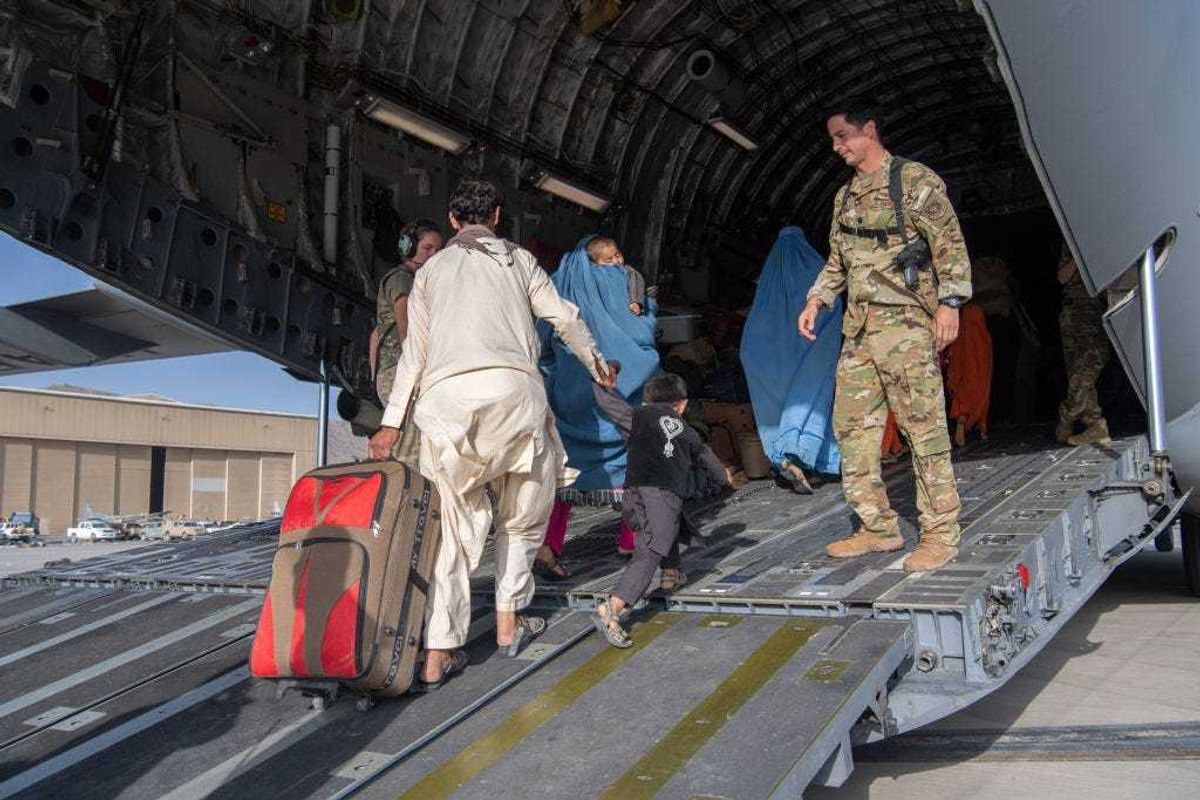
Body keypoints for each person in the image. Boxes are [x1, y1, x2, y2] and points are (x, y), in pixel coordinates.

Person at [368, 180, 613, 689]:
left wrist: (391, 423)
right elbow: (563, 318)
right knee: (522, 517)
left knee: (453, 533)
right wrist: (595, 364)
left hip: (446, 402)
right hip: (513, 392)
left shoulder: (430, 272)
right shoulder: (519, 261)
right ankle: (508, 621)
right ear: (497, 216)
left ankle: (438, 651)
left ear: (454, 221)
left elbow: (413, 354)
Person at [798, 101, 972, 573]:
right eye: (833, 140)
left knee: (924, 429)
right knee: (852, 431)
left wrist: (950, 303)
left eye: (842, 136)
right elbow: (838, 261)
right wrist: (817, 300)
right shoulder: (845, 197)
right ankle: (878, 527)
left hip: (906, 327)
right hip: (859, 331)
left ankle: (939, 534)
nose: (837, 147)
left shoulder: (915, 182)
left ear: (869, 129)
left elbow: (948, 243)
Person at [538, 235, 661, 568]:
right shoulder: (625, 280)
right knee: (633, 461)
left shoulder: (559, 287)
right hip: (622, 391)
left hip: (572, 396)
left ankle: (549, 544)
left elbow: (543, 343)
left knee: (565, 470)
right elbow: (644, 331)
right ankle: (630, 540)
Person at [590, 372, 731, 648]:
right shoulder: (684, 429)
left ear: (648, 400)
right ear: (682, 405)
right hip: (662, 495)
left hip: (632, 495)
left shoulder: (636, 417)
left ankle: (670, 575)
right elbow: (705, 455)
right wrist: (724, 476)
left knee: (666, 527)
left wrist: (603, 379)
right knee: (651, 549)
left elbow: (607, 404)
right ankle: (613, 608)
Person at [741, 226, 843, 494]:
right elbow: (835, 309)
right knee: (814, 401)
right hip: (812, 354)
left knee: (778, 406)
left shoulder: (769, 282)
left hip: (773, 363)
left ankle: (784, 459)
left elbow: (752, 334)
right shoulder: (819, 273)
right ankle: (812, 461)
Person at [369, 219, 444, 466]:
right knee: (409, 454)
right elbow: (409, 334)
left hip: (395, 376)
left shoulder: (408, 280)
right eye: (428, 248)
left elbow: (375, 336)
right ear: (409, 248)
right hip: (405, 378)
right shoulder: (404, 280)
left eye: (438, 250)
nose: (435, 255)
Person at [1055, 241, 1111, 445]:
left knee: (1087, 368)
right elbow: (1062, 277)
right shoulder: (1072, 243)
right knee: (1077, 370)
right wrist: (1080, 256)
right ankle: (1095, 426)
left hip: (1096, 310)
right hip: (1076, 311)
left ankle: (1068, 417)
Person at [586, 236, 656, 315]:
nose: (616, 261)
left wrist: (635, 302)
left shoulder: (628, 272)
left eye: (617, 255)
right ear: (596, 264)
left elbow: (636, 285)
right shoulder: (594, 274)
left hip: (631, 305)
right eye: (609, 259)